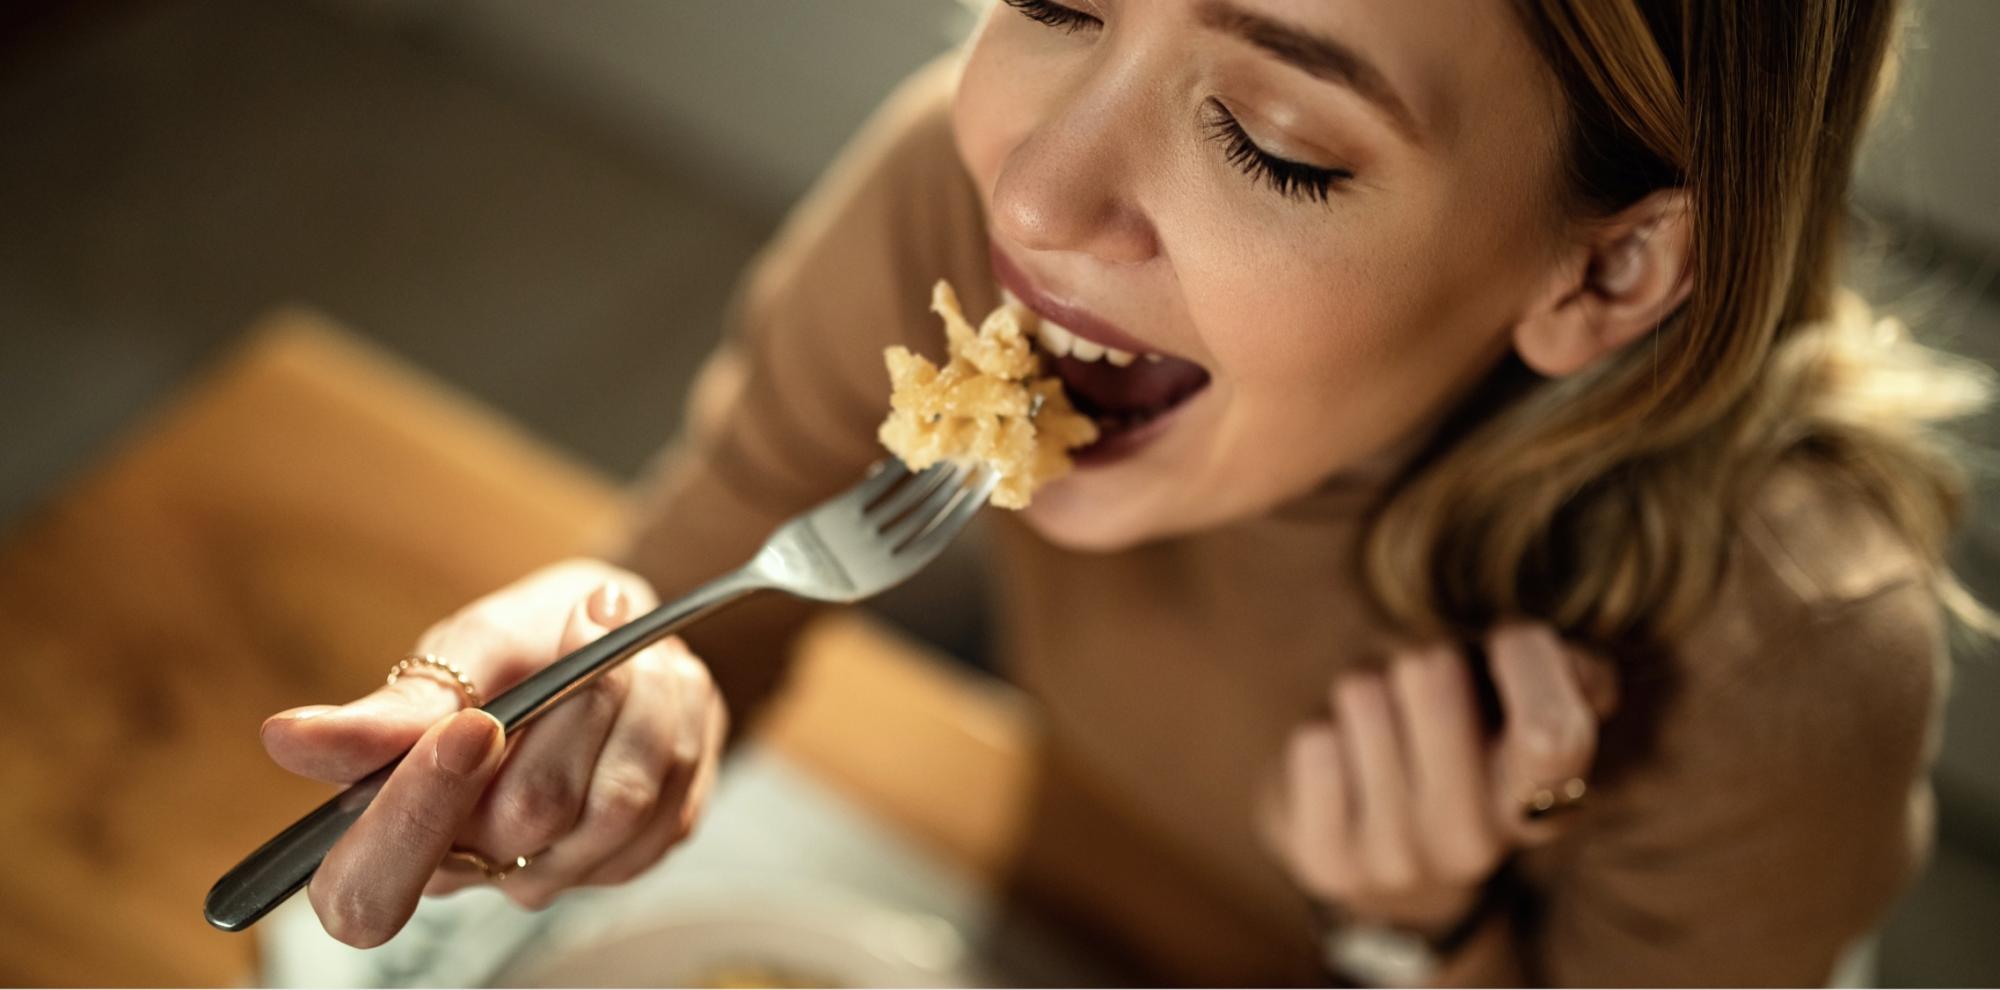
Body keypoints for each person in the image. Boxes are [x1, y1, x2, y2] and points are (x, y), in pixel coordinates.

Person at [258, 0, 1993, 983]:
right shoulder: (955, 206)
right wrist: (596, 689)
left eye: (1276, 143)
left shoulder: (1789, 643)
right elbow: (715, 588)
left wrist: (1440, 940)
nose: (1038, 193)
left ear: (1610, 272)